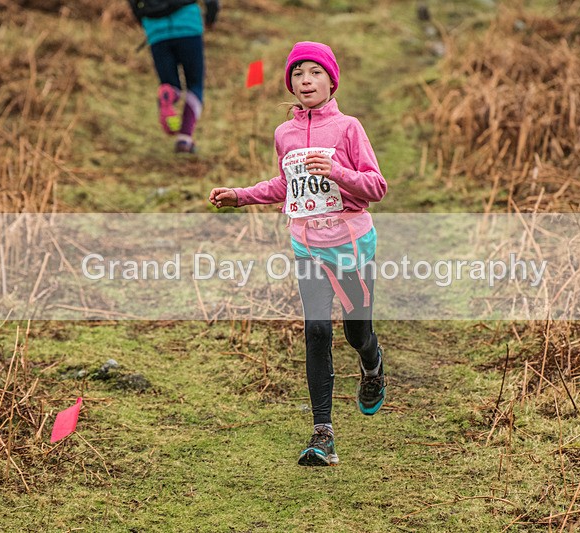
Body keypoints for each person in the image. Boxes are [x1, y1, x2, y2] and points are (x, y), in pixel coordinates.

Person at [209, 42, 388, 467]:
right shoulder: (284, 133)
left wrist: (339, 173)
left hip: (351, 244)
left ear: (331, 80)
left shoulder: (349, 128)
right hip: (307, 247)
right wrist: (242, 196)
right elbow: (283, 185)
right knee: (316, 332)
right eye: (298, 74)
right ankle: (322, 434)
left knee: (355, 332)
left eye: (314, 73)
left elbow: (376, 187)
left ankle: (372, 363)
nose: (305, 81)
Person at [128, 0, 220, 153]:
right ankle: (184, 138)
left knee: (169, 85)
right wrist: (211, 16)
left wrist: (141, 18)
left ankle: (169, 95)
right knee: (195, 84)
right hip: (188, 24)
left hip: (156, 28)